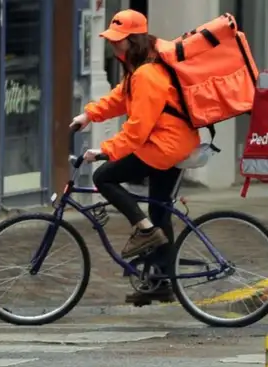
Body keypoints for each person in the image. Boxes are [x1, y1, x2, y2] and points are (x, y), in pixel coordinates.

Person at [70, 9, 200, 303]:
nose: (113, 45)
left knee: (104, 177)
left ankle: (144, 232)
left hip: (165, 145)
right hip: (173, 142)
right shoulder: (142, 67)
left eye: (119, 39)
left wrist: (105, 150)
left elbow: (137, 129)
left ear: (134, 39)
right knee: (159, 211)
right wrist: (89, 115)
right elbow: (120, 97)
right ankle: (162, 280)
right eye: (112, 39)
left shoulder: (147, 74)